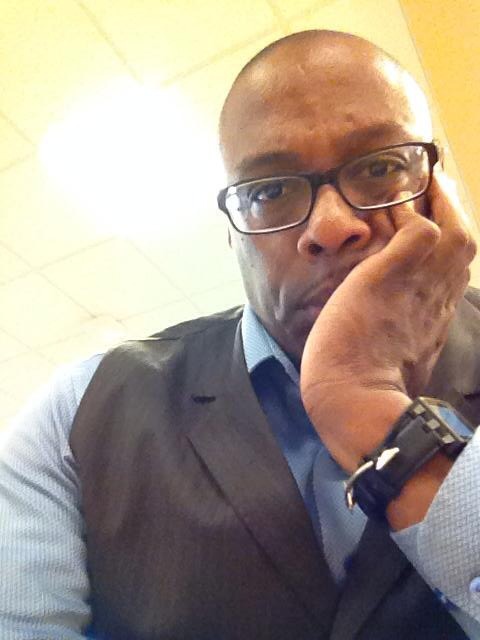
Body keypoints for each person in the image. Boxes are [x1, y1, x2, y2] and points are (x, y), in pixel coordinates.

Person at [0, 29, 479, 639]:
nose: (331, 227)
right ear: (232, 233)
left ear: (439, 191)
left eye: (380, 167)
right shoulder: (77, 414)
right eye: (269, 190)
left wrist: (365, 404)